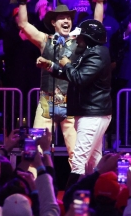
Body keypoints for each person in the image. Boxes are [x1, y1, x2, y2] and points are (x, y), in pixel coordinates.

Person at [16, 0, 104, 155]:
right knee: (37, 150)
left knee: (77, 151)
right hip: (47, 101)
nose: (66, 21)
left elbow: (97, 24)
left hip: (70, 101)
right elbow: (23, 24)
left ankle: (80, 182)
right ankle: (35, 181)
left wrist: (100, 1)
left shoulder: (78, 40)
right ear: (54, 23)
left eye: (69, 18)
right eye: (62, 18)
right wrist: (23, 2)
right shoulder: (44, 40)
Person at [35, 19, 112, 186]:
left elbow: (79, 78)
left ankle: (70, 200)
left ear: (89, 39)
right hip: (89, 112)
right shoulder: (89, 52)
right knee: (93, 161)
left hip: (93, 114)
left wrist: (68, 64)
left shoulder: (97, 54)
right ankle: (99, 197)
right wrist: (51, 66)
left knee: (79, 161)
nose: (77, 40)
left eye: (81, 38)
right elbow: (72, 73)